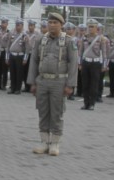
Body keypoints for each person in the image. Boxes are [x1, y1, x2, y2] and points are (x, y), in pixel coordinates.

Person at [27, 11, 78, 156]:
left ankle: (55, 143)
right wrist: (32, 82)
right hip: (42, 80)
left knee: (57, 113)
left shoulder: (69, 41)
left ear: (61, 25)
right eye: (50, 22)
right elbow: (34, 61)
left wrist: (70, 85)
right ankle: (44, 142)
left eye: (55, 23)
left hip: (59, 81)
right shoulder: (40, 40)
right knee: (43, 112)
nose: (52, 25)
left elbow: (74, 64)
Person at [79, 19, 108, 110]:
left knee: (94, 84)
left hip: (95, 63)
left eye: (92, 27)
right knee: (85, 84)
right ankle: (86, 103)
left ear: (96, 28)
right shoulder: (84, 38)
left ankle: (92, 103)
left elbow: (104, 53)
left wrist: (104, 65)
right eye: (89, 27)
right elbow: (80, 52)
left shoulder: (101, 39)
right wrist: (79, 63)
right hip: (86, 62)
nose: (90, 29)